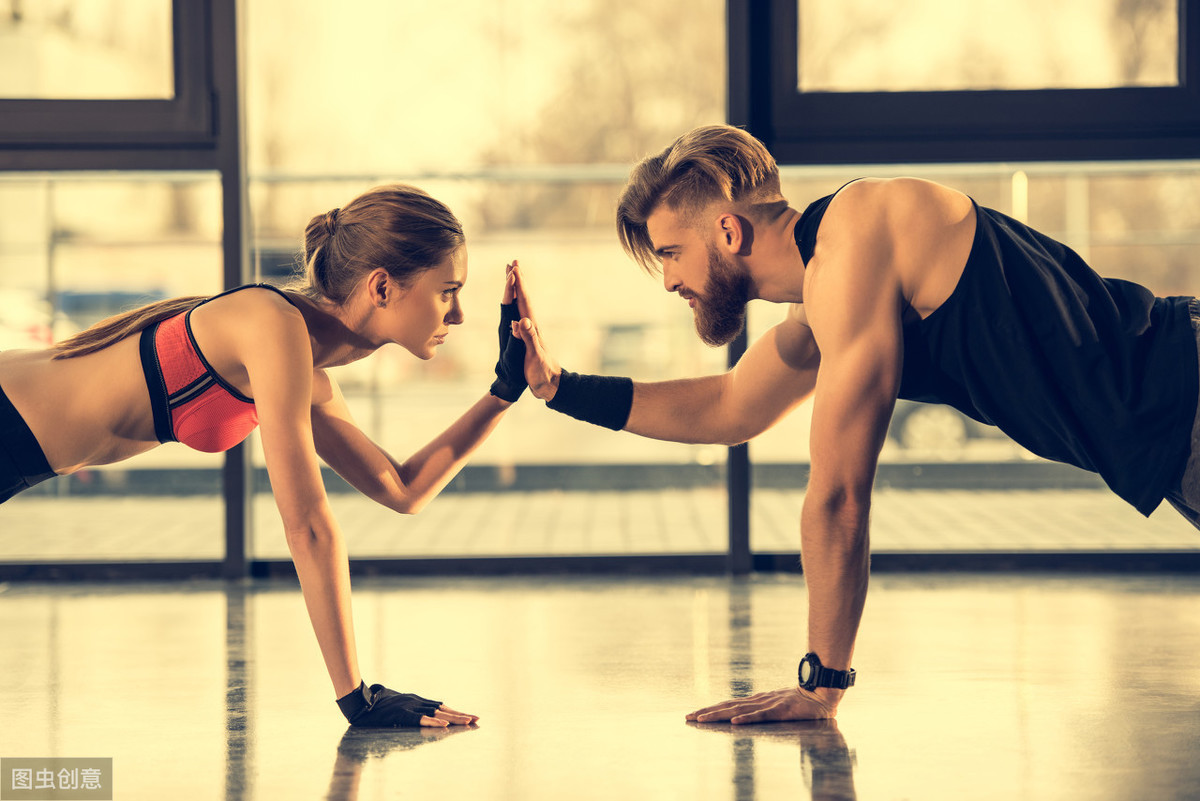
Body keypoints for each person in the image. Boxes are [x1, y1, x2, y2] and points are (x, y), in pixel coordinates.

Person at [506, 124, 1200, 724]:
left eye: (669, 253)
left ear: (726, 229)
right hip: (1172, 431)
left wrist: (823, 681)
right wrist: (557, 385)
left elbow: (838, 495)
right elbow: (728, 407)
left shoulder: (858, 237)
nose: (667, 281)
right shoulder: (826, 287)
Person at [0, 184, 531, 728]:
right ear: (382, 287)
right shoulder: (271, 324)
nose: (460, 314)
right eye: (448, 291)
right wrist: (357, 698)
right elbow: (307, 525)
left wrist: (504, 390)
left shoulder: (305, 370)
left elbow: (403, 489)